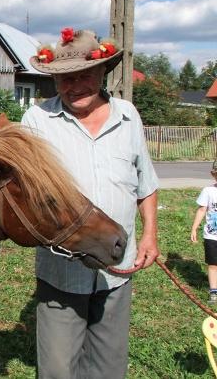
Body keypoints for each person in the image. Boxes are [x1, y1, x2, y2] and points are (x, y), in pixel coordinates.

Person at [21, 27, 159, 379]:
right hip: (62, 270)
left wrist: (150, 235)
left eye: (84, 75)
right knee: (58, 369)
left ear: (102, 72)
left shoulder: (127, 116)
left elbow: (145, 183)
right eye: (65, 79)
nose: (75, 85)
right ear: (55, 81)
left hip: (118, 265)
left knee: (108, 367)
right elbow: (24, 193)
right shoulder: (37, 120)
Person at [190, 160, 217, 304]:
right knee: (213, 264)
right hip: (212, 236)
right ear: (214, 175)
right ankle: (214, 292)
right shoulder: (208, 191)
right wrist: (194, 228)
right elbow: (201, 210)